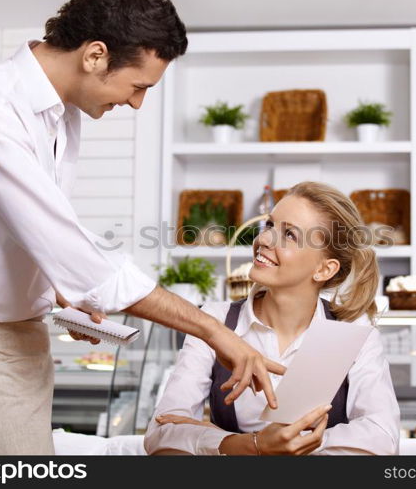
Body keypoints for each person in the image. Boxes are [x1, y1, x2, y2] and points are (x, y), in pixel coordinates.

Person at [0, 0, 283, 455]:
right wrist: (215, 331)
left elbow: (19, 234)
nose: (137, 103)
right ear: (96, 55)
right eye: (138, 86)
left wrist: (61, 295)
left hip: (21, 339)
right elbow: (71, 249)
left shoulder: (59, 114)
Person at [144, 182, 400, 455]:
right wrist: (253, 446)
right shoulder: (215, 321)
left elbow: (382, 438)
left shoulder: (351, 334)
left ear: (324, 269)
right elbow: (161, 435)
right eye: (269, 225)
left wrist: (224, 441)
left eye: (289, 234)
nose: (264, 240)